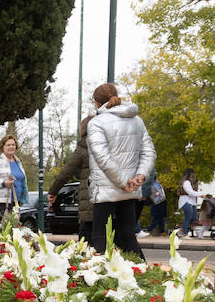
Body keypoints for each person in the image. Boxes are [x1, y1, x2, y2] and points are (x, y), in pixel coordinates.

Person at [86, 83, 154, 260]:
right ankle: (142, 275)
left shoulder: (96, 123)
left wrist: (125, 182)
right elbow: (148, 152)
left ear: (96, 102)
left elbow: (102, 157)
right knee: (128, 236)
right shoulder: (137, 120)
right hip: (130, 191)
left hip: (107, 189)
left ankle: (101, 279)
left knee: (100, 238)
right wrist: (140, 176)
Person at [49, 116, 96, 248]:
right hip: (109, 198)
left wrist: (53, 191)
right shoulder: (108, 143)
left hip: (89, 196)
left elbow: (66, 172)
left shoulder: (83, 147)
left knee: (86, 237)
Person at [179, 168, 208, 237]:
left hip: (192, 202)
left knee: (194, 218)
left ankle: (182, 229)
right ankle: (184, 233)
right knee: (187, 218)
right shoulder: (186, 182)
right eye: (192, 175)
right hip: (185, 202)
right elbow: (190, 192)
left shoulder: (192, 183)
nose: (194, 176)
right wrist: (201, 194)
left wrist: (199, 194)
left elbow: (193, 193)